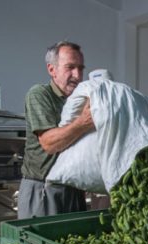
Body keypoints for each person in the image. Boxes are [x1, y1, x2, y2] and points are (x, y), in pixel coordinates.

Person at [18, 41, 95, 219]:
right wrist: (83, 122)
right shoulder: (40, 94)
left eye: (80, 68)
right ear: (52, 69)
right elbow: (49, 143)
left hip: (74, 189)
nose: (77, 75)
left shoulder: (80, 100)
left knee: (76, 243)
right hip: (43, 190)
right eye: (70, 67)